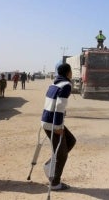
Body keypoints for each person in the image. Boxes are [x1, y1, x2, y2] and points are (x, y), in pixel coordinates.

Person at [41, 63, 76, 191]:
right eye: (71, 71)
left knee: (71, 141)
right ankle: (55, 183)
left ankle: (50, 164)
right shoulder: (66, 85)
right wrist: (57, 127)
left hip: (47, 120)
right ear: (68, 73)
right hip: (52, 124)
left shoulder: (53, 84)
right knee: (62, 155)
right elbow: (59, 107)